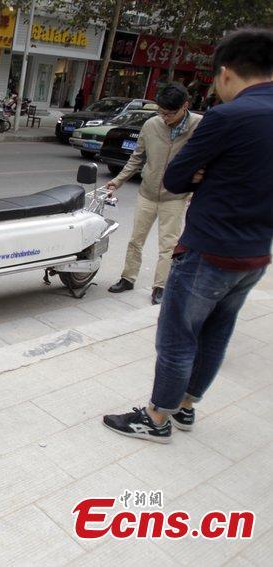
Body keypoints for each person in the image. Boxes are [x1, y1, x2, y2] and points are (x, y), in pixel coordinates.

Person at [103, 28, 273, 444]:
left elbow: (177, 178)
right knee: (217, 332)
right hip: (255, 254)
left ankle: (157, 417)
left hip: (210, 249)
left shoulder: (227, 117)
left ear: (226, 72)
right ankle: (185, 405)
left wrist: (205, 173)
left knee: (179, 335)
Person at [106, 83, 202, 305]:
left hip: (175, 196)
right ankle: (127, 278)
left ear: (185, 106)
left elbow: (205, 160)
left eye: (169, 113)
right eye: (161, 112)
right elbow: (137, 158)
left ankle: (160, 287)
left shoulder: (199, 125)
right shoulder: (151, 125)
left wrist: (195, 189)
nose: (165, 118)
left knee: (168, 245)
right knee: (135, 240)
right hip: (147, 193)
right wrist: (117, 181)